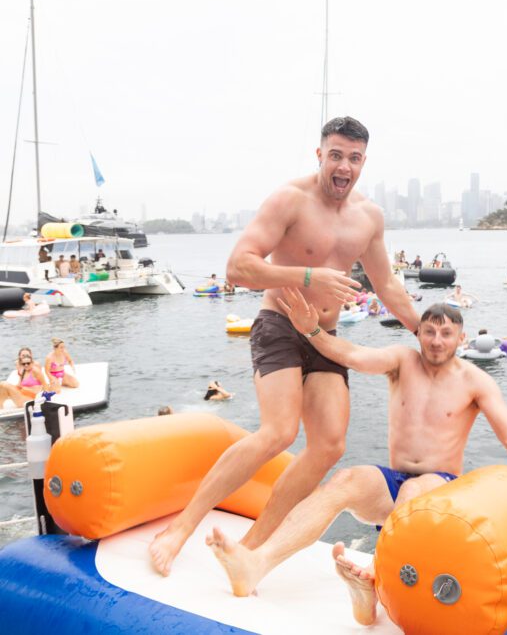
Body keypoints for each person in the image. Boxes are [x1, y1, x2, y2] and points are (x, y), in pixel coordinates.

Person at [149, 116, 421, 576]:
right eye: (335, 154)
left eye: (353, 158)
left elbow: (388, 285)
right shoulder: (289, 200)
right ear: (319, 155)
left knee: (330, 446)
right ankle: (179, 529)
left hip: (325, 338)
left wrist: (429, 334)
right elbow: (238, 267)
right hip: (279, 322)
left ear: (363, 163)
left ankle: (250, 550)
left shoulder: (368, 217)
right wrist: (310, 277)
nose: (344, 166)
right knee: (278, 432)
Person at [206, 294, 507, 623]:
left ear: (461, 339)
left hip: (441, 488)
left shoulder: (475, 381)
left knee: (416, 488)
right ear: (418, 335)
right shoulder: (402, 362)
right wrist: (312, 333)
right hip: (394, 482)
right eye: (429, 332)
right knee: (345, 480)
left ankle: (375, 582)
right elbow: (352, 355)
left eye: (447, 334)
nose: (436, 340)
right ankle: (257, 564)